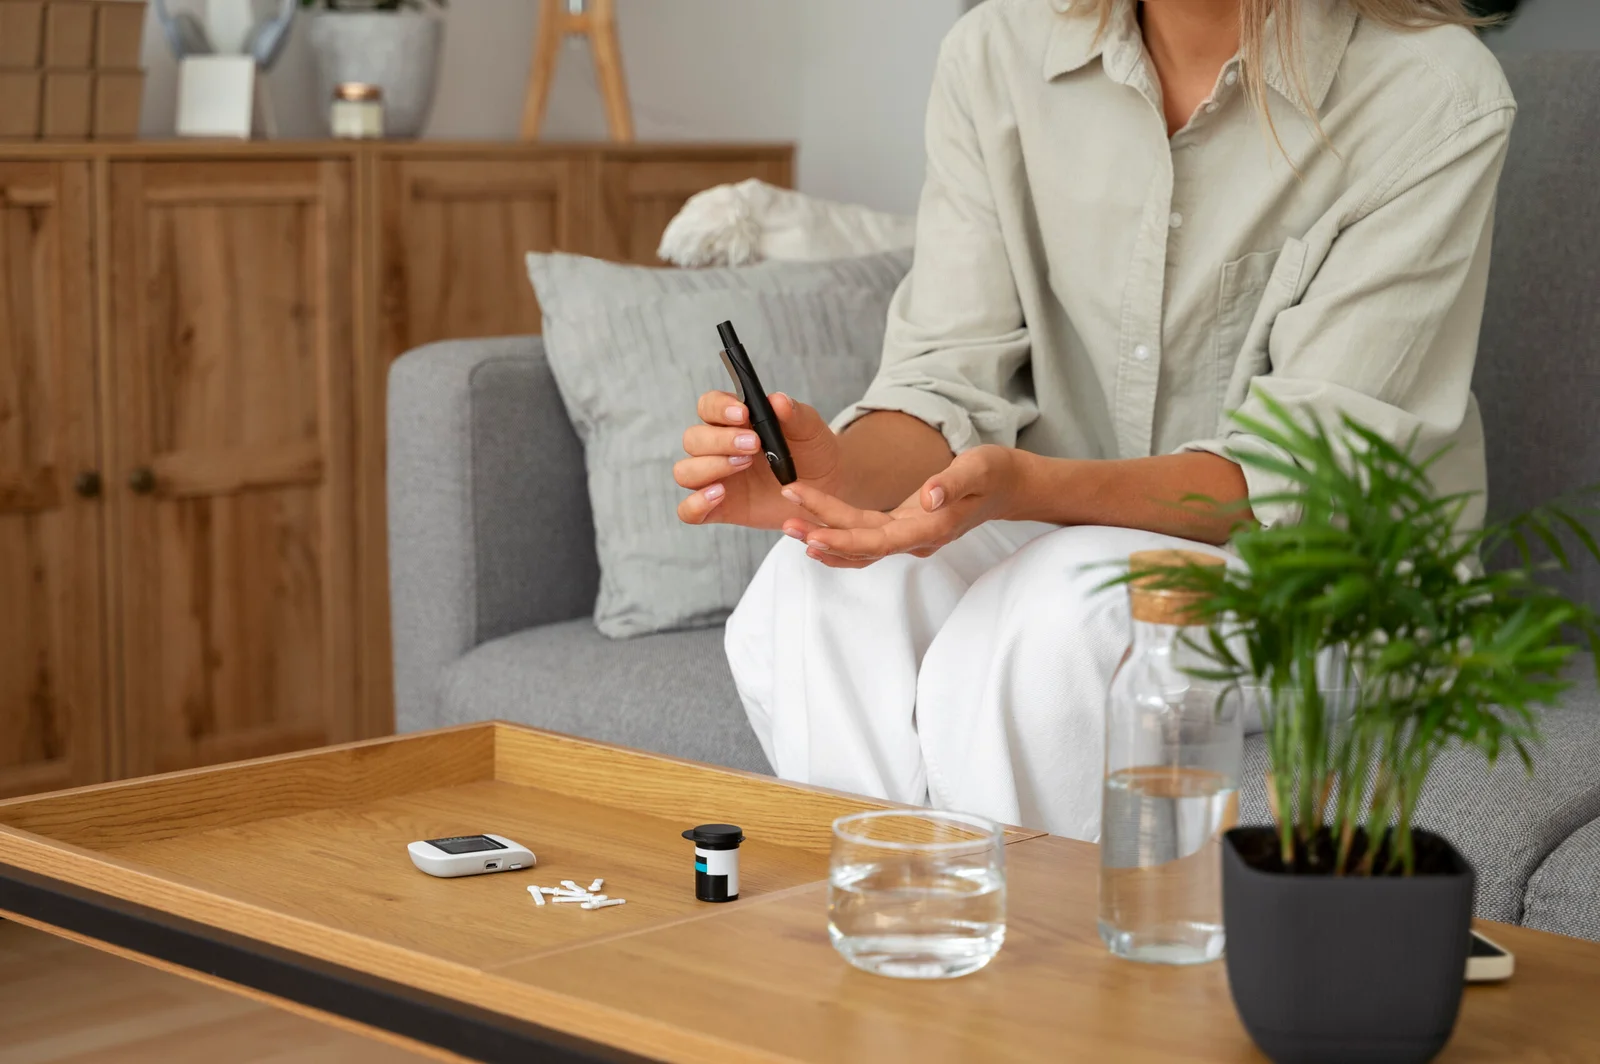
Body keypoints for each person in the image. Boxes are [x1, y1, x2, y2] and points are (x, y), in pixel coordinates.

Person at [673, 0, 1515, 840]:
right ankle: (902, 932)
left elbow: (1287, 481)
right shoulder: (997, 53)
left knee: (1063, 610)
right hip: (1059, 528)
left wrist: (1027, 486)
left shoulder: (1433, 93)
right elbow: (946, 378)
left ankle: (1030, 958)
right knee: (816, 584)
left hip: (1326, 584)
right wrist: (834, 483)